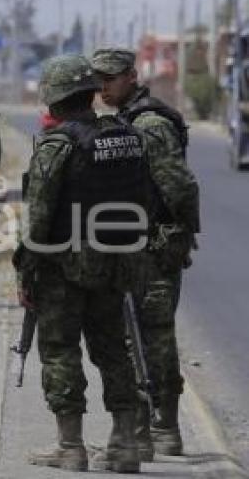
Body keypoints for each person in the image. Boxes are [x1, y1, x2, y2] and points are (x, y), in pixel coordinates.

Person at [13, 54, 146, 473]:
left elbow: (37, 217)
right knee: (113, 351)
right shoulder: (125, 137)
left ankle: (70, 447)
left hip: (63, 268)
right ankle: (125, 445)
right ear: (88, 94)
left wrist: (25, 270)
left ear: (54, 99)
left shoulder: (58, 146)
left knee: (59, 351)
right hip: (117, 263)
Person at [92, 47, 201, 458]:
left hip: (154, 246)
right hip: (135, 245)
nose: (102, 86)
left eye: (110, 77)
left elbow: (179, 185)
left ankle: (164, 428)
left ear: (131, 76)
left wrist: (182, 233)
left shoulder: (150, 124)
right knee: (136, 333)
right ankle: (153, 427)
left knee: (152, 335)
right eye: (97, 78)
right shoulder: (124, 119)